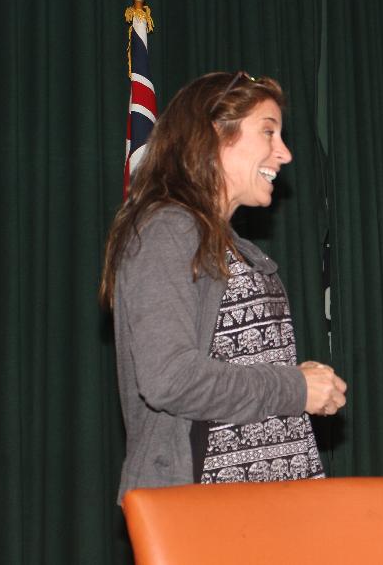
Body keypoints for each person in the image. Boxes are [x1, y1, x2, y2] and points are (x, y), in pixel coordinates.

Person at [100, 71, 346, 501]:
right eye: (268, 132)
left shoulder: (233, 246)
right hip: (207, 506)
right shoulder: (166, 230)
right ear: (215, 133)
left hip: (276, 501)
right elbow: (169, 379)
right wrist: (295, 387)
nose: (284, 153)